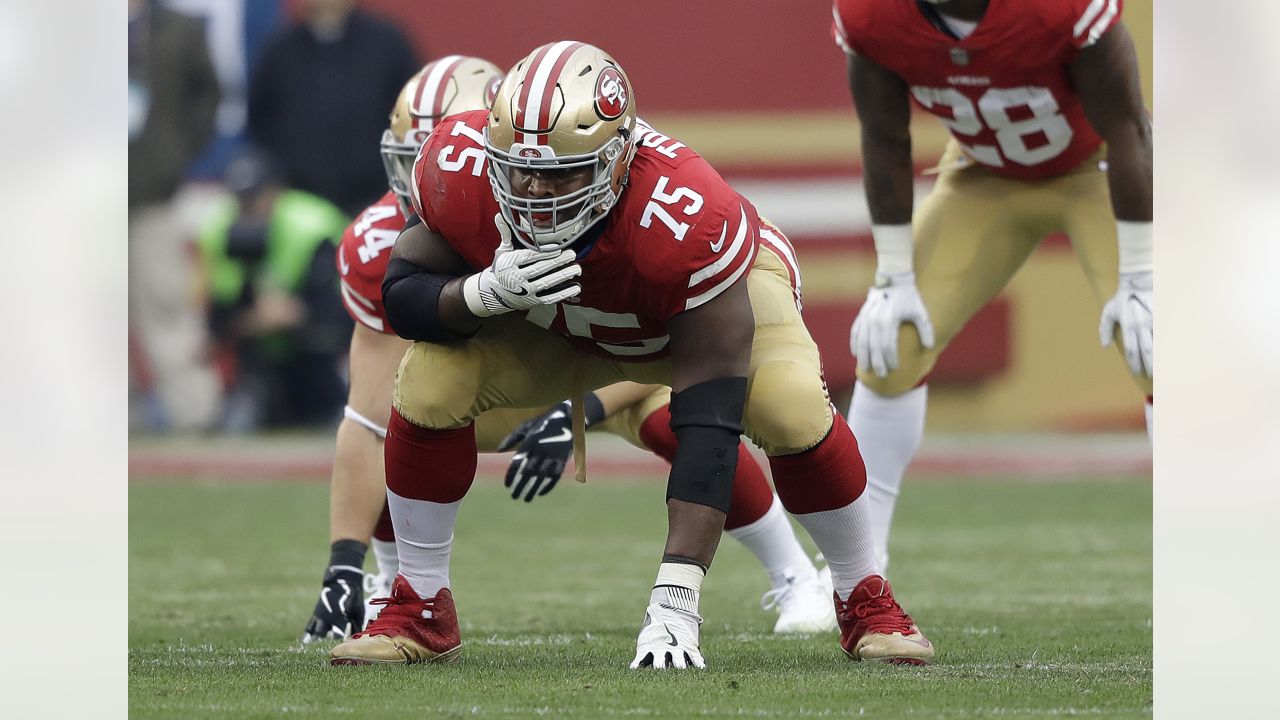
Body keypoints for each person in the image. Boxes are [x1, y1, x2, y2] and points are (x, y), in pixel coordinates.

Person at [330, 41, 934, 669]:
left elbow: (708, 423)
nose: (537, 192)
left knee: (790, 403)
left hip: (692, 316)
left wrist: (676, 596)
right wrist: (479, 293)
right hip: (566, 324)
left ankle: (866, 596)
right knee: (428, 377)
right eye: (519, 170)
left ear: (618, 158)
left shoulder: (686, 217)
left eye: (564, 172)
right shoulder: (460, 168)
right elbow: (404, 294)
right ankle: (420, 607)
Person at [831, 0, 1153, 570]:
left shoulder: (1058, 9)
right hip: (984, 176)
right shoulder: (872, 13)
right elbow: (884, 137)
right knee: (891, 347)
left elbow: (1129, 131)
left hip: (1096, 170)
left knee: (1158, 343)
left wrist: (1142, 276)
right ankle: (854, 575)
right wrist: (893, 276)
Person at [197, 149, 352, 430]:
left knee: (322, 346)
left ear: (276, 192)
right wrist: (258, 320)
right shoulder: (218, 230)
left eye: (257, 197)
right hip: (258, 356)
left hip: (315, 352)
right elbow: (217, 318)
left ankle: (335, 405)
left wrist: (294, 314)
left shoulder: (313, 226)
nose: (250, 207)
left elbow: (337, 313)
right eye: (242, 200)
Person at [129, 0, 223, 431]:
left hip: (153, 193)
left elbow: (207, 93)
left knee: (168, 305)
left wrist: (174, 154)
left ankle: (195, 414)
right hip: (83, 194)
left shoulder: (178, 28)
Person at [247, 0, 420, 215]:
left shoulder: (387, 43)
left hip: (376, 199)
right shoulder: (280, 50)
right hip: (302, 204)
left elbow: (412, 109)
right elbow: (260, 118)